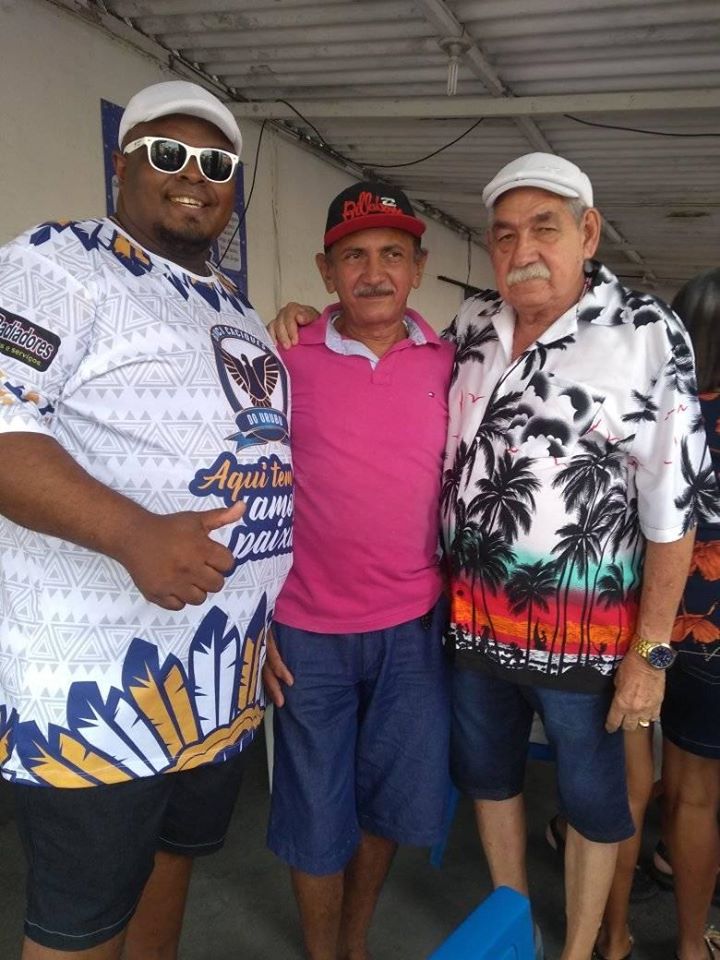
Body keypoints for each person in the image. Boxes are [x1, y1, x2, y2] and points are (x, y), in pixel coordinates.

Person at [268, 154, 717, 960]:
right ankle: (517, 930)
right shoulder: (473, 326)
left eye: (545, 228)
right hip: (468, 630)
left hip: (585, 643)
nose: (523, 250)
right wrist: (302, 316)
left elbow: (673, 507)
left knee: (594, 805)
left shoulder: (646, 332)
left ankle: (579, 950)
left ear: (588, 232)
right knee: (490, 782)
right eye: (505, 235)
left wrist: (651, 652)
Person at [0, 80, 292, 960]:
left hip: (214, 682)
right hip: (96, 691)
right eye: (169, 154)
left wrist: (257, 616)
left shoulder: (236, 309)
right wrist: (133, 533)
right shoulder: (60, 264)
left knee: (170, 870)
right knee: (82, 925)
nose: (193, 175)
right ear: (120, 164)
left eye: (216, 164)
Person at [262, 181, 454, 960]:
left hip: (414, 629)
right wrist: (254, 622)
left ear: (418, 268)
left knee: (388, 801)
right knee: (315, 811)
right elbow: (244, 488)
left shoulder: (450, 363)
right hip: (306, 633)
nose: (374, 273)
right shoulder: (281, 359)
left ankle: (354, 942)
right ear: (326, 270)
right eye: (354, 257)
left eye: (392, 254)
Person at [660, 268, 720, 960]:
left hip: (657, 627)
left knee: (678, 784)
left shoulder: (659, 412)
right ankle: (688, 944)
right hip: (714, 636)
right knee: (701, 794)